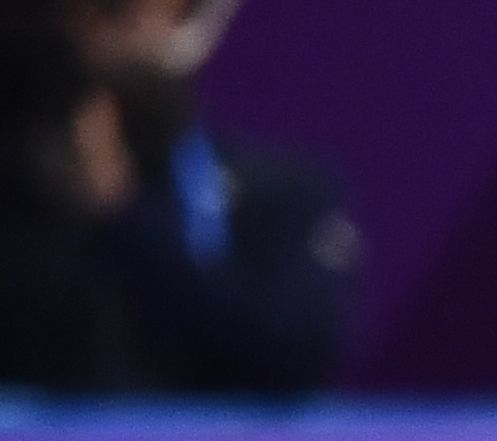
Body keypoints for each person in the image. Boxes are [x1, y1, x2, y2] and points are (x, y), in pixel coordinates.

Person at [0, 0, 350, 395]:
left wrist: (119, 213)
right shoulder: (22, 185)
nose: (107, 30)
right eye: (95, 10)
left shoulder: (278, 192)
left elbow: (293, 356)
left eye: (123, 11)